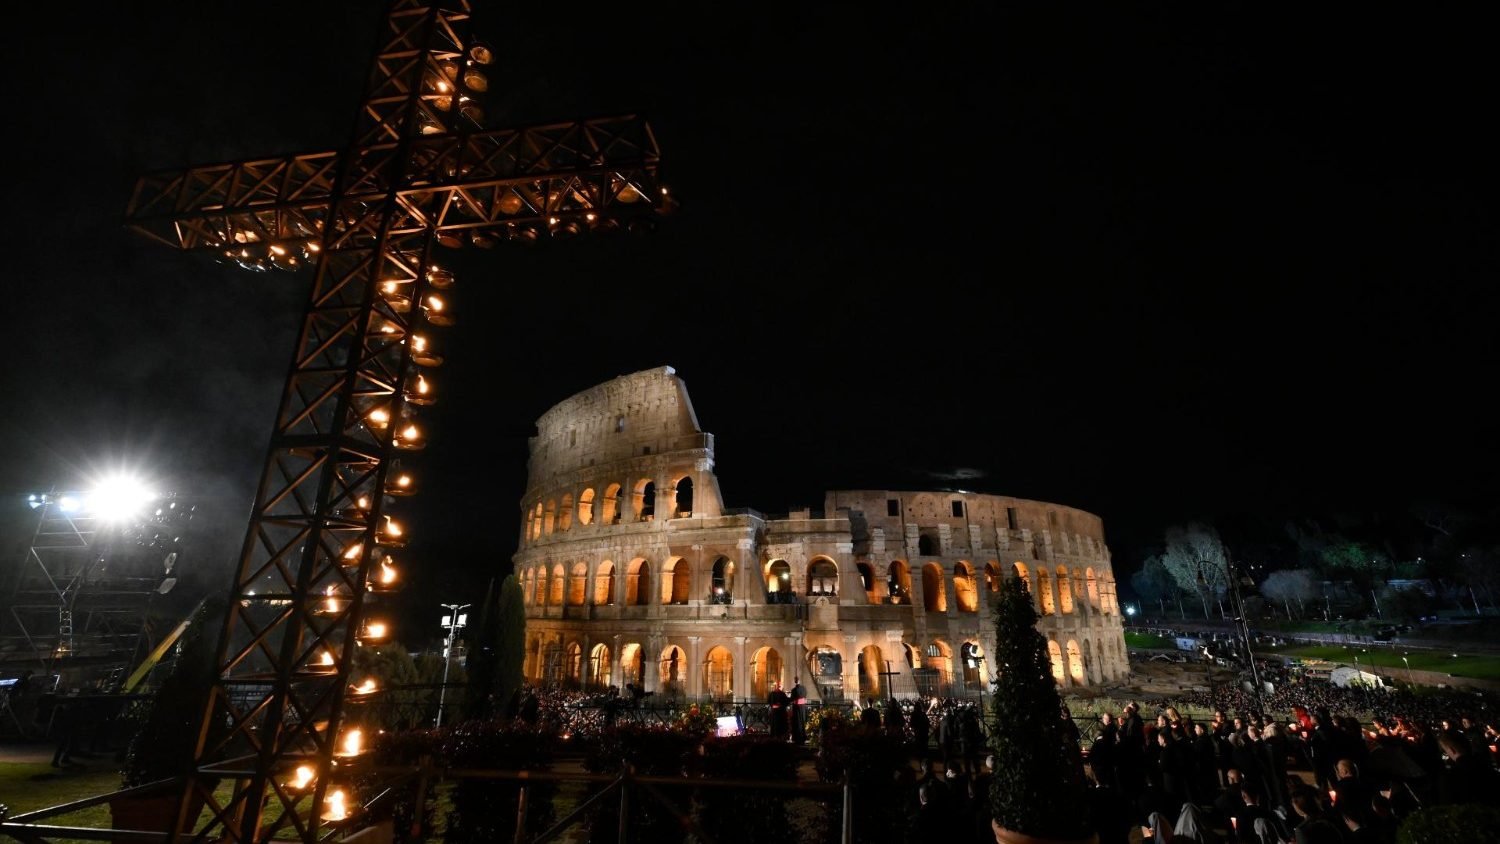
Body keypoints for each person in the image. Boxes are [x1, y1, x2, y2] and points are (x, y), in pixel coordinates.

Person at [789, 676, 808, 745]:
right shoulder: (804, 688)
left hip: (796, 708)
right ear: (799, 681)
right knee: (802, 722)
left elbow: (791, 699)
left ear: (795, 681)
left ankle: (797, 738)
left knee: (797, 722)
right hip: (803, 707)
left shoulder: (794, 690)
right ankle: (803, 737)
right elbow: (805, 696)